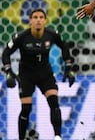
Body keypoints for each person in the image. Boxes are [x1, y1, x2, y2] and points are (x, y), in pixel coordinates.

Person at [1, 8, 76, 140]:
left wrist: (68, 67)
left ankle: (58, 136)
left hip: (45, 73)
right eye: (35, 17)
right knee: (26, 108)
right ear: (30, 21)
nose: (38, 20)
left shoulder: (52, 35)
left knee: (54, 101)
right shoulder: (22, 37)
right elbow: (6, 53)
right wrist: (9, 72)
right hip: (26, 75)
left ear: (45, 21)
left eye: (41, 17)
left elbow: (64, 46)